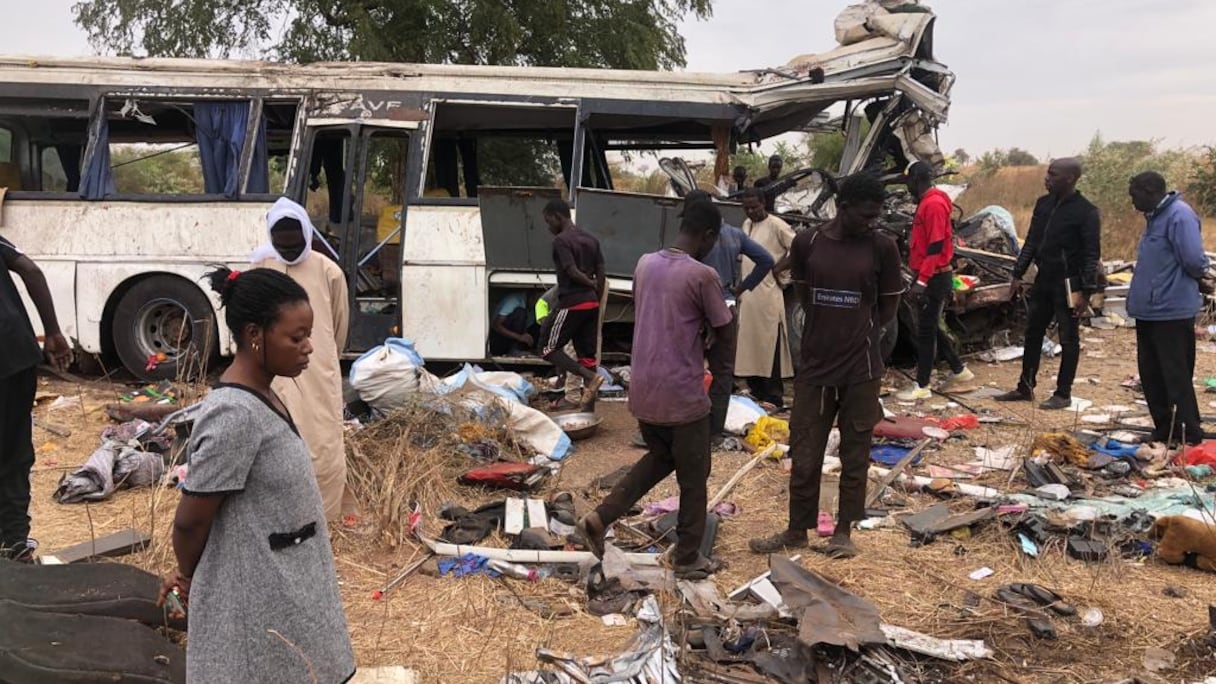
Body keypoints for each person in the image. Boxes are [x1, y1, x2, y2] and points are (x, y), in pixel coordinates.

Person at [159, 267, 355, 683]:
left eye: (308, 336)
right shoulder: (234, 415)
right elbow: (191, 521)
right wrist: (188, 576)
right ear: (254, 334)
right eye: (296, 338)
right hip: (257, 602)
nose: (308, 348)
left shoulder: (265, 395)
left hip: (282, 585)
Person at [576, 200, 733, 579]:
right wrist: (718, 391)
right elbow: (725, 330)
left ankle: (601, 517)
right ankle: (689, 557)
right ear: (708, 235)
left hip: (644, 390)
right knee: (695, 475)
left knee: (662, 456)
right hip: (682, 392)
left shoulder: (645, 264)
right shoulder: (703, 275)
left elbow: (664, 315)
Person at [749, 174, 903, 559]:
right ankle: (796, 530)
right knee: (805, 451)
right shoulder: (808, 243)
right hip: (815, 368)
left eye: (876, 215)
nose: (871, 222)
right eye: (865, 215)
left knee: (855, 452)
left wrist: (858, 332)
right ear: (843, 208)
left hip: (861, 369)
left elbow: (887, 308)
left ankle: (843, 531)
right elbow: (804, 296)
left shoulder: (883, 248)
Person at [251, 197, 352, 522]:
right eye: (282, 245)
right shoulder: (262, 268)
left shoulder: (328, 271)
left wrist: (324, 359)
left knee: (322, 443)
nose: (289, 251)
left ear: (307, 234)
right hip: (272, 375)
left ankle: (324, 516)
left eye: (295, 244)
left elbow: (339, 323)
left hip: (317, 371)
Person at [996, 158, 1102, 410]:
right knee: (1033, 332)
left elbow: (1091, 255)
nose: (1047, 178)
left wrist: (1086, 292)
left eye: (1053, 174)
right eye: (1048, 173)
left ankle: (1063, 393)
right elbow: (1032, 241)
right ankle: (1025, 387)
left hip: (1069, 283)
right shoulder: (1043, 204)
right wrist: (1017, 273)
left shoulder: (1086, 211)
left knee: (1068, 338)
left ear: (1070, 178)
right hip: (1044, 278)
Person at [0, 237, 71, 562]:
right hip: (16, 352)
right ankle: (16, 544)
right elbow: (30, 270)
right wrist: (52, 331)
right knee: (15, 451)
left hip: (14, 355)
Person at [683, 189, 775, 440]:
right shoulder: (735, 234)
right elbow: (766, 260)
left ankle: (684, 425)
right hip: (727, 307)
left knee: (687, 367)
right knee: (722, 373)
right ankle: (713, 432)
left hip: (697, 310)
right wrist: (742, 287)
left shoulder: (696, 237)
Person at [1127, 171, 1210, 446]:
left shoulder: (1179, 216)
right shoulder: (1155, 217)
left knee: (1175, 375)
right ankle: (1164, 430)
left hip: (1172, 310)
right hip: (1149, 310)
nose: (1132, 201)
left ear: (1150, 191)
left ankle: (1189, 434)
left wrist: (1199, 279)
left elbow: (1194, 260)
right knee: (1151, 374)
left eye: (1134, 195)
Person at [896, 161, 974, 401]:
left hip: (935, 276)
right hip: (931, 274)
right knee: (930, 325)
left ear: (917, 179)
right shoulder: (929, 202)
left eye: (908, 181)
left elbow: (936, 245)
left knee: (925, 332)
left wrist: (922, 281)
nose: (907, 187)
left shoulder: (933, 204)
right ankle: (959, 370)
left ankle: (923, 385)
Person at [541, 199, 607, 410]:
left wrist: (587, 283)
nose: (548, 227)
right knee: (587, 357)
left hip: (572, 301)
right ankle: (588, 412)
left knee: (547, 347)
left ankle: (589, 376)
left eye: (548, 221)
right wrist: (595, 296)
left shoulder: (561, 241)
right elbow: (602, 273)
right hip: (592, 303)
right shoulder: (591, 239)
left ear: (557, 216)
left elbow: (570, 270)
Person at [735, 187, 796, 409]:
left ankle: (773, 396)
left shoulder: (777, 225)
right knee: (750, 343)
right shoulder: (747, 225)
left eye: (754, 207)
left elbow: (798, 248)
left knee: (769, 343)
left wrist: (778, 269)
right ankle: (756, 391)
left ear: (763, 204)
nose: (751, 211)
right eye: (747, 208)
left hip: (768, 294)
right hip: (750, 294)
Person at [488, 290, 540, 356]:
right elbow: (496, 325)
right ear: (532, 297)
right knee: (520, 312)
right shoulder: (514, 301)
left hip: (513, 340)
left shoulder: (532, 310)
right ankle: (514, 350)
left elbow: (526, 329)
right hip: (497, 340)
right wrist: (519, 337)